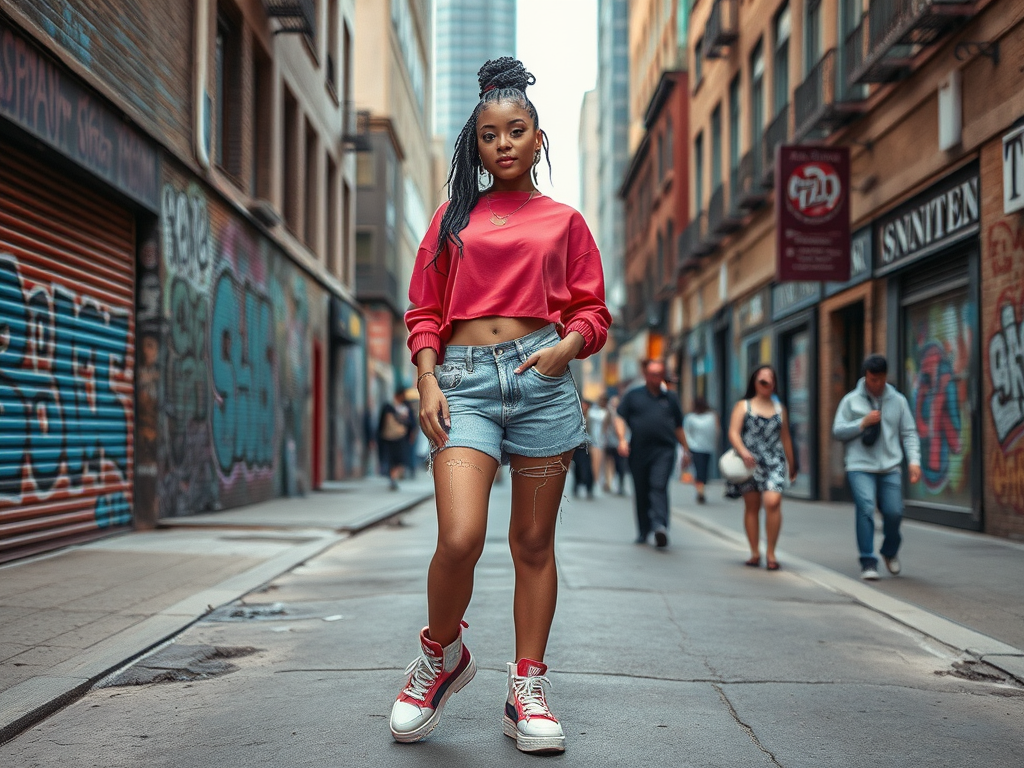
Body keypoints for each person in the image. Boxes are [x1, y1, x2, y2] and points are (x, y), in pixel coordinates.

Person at [390, 58, 611, 754]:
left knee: (533, 545)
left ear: (538, 139)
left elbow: (593, 312)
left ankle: (528, 688)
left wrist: (565, 348)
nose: (504, 144)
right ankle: (440, 654)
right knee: (459, 538)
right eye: (490, 136)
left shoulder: (565, 222)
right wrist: (427, 379)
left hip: (543, 383)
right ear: (475, 145)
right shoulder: (451, 220)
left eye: (517, 131)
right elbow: (423, 310)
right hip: (462, 383)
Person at [832, 354, 922, 581]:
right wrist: (861, 423)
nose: (878, 384)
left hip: (890, 466)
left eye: (881, 379)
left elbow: (909, 433)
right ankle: (867, 561)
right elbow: (837, 431)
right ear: (866, 376)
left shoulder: (898, 400)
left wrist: (914, 461)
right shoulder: (850, 401)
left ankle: (889, 552)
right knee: (866, 507)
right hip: (859, 465)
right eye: (873, 379)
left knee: (894, 512)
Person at [726, 365, 797, 571]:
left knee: (773, 502)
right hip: (749, 462)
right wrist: (744, 452)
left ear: (774, 384)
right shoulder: (743, 406)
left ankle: (771, 553)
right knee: (752, 506)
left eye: (769, 381)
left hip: (774, 461)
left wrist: (792, 464)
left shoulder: (779, 409)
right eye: (762, 381)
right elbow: (733, 432)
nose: (766, 385)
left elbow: (785, 438)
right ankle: (755, 552)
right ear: (755, 383)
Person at [614, 359, 689, 548]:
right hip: (638, 450)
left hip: (664, 450)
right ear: (646, 376)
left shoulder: (670, 398)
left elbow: (679, 426)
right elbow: (620, 418)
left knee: (658, 484)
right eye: (652, 374)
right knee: (641, 489)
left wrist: (686, 450)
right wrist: (622, 439)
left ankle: (660, 525)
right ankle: (643, 530)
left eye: (659, 374)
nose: (656, 378)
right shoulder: (633, 396)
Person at [682, 396, 719, 504]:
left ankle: (700, 490)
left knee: (700, 470)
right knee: (702, 470)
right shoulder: (712, 416)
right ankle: (700, 491)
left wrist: (686, 449)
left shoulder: (690, 417)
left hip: (696, 447)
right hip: (704, 447)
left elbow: (686, 432)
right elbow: (716, 431)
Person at [378, 386, 413, 490]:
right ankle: (393, 478)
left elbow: (381, 424)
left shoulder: (389, 407)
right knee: (395, 460)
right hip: (396, 438)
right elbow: (410, 424)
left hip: (392, 438)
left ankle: (393, 478)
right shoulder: (399, 408)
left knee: (396, 460)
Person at [602, 394, 628, 495]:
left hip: (620, 444)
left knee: (620, 465)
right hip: (610, 444)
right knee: (609, 464)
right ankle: (608, 483)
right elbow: (605, 428)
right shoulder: (609, 414)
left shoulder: (623, 414)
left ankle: (620, 485)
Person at [572, 400, 595, 498]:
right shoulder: (575, 417)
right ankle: (576, 486)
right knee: (577, 468)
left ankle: (589, 488)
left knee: (588, 468)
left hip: (587, 447)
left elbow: (593, 432)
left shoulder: (590, 418)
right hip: (577, 447)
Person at [587, 395, 609, 494]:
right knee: (595, 462)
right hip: (595, 441)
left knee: (601, 463)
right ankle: (596, 482)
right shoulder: (594, 412)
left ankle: (599, 481)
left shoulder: (604, 413)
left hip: (602, 441)